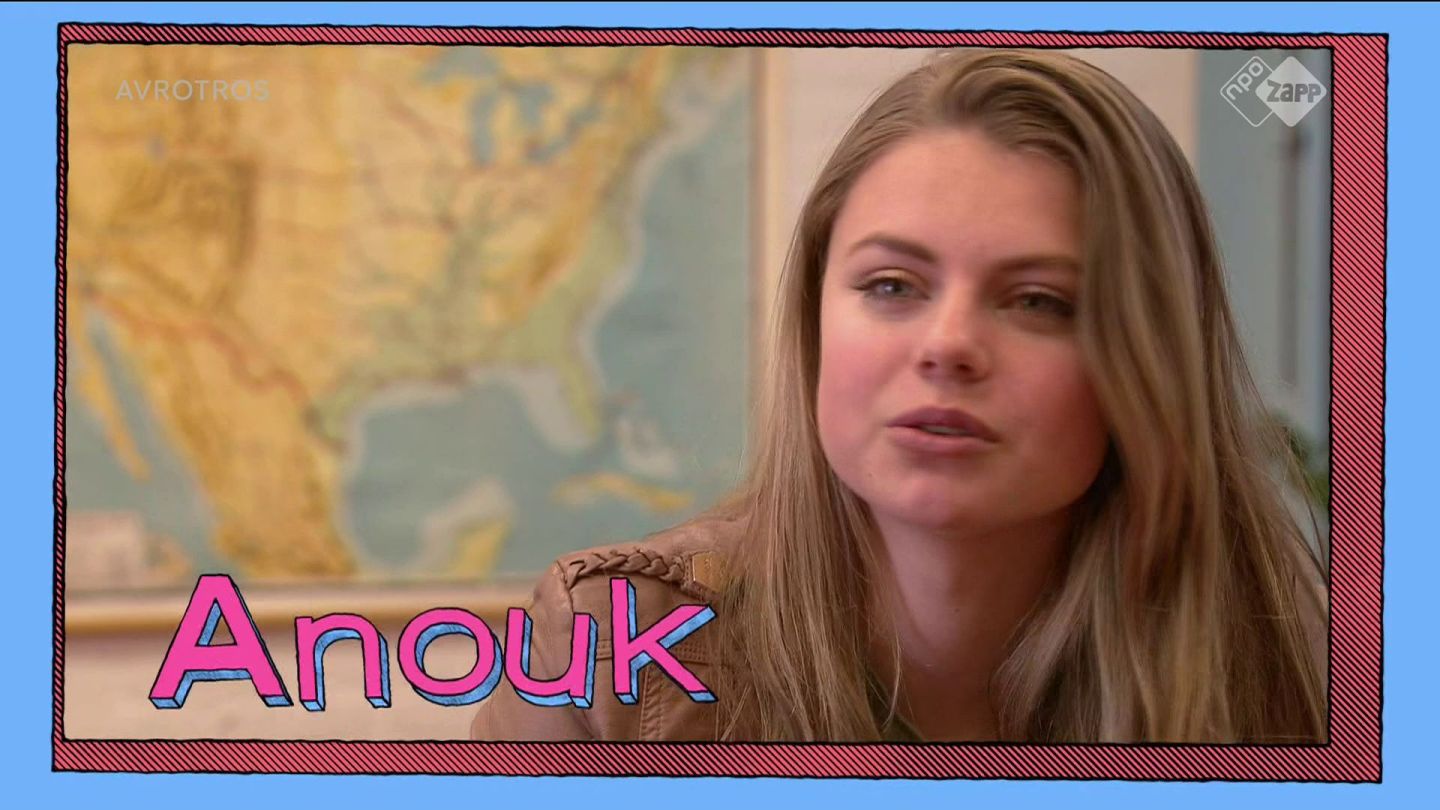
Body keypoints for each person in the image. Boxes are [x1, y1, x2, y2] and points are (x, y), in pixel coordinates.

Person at [469, 48, 1329, 744]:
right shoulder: (611, 646)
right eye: (891, 285)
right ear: (815, 316)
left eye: (1039, 301)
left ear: (1149, 357)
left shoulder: (1292, 663)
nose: (947, 345)